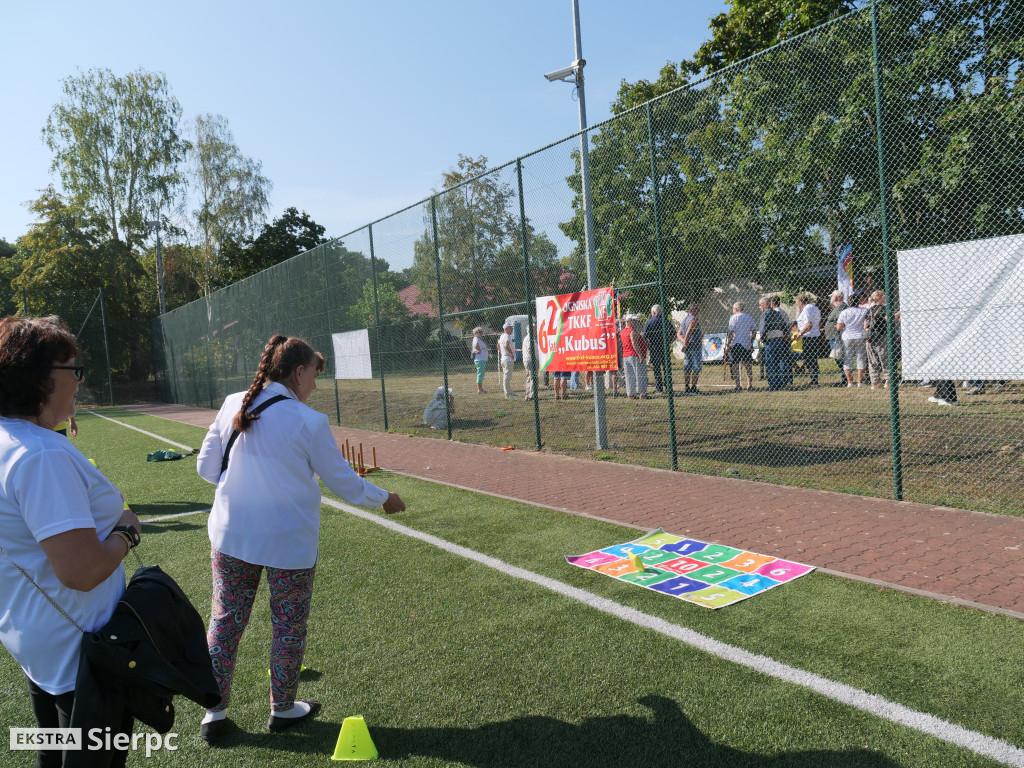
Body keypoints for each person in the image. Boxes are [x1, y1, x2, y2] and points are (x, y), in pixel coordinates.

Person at [196, 334, 406, 741]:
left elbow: (207, 468)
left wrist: (245, 487)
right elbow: (342, 481)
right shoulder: (309, 421)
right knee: (288, 626)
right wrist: (384, 497)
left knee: (224, 623)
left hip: (230, 535)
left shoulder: (232, 403)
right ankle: (284, 708)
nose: (314, 384)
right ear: (297, 372)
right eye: (312, 374)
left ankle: (213, 714)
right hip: (288, 543)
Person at [0, 315, 142, 768]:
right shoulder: (40, 455)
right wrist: (126, 532)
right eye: (72, 370)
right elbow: (80, 572)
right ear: (40, 378)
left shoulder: (11, 438)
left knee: (55, 754)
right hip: (82, 650)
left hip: (39, 637)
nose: (79, 381)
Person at [836, 290, 869, 388]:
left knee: (848, 359)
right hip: (860, 336)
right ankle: (860, 382)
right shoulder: (864, 311)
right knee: (861, 359)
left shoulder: (844, 312)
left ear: (849, 302)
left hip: (847, 337)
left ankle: (850, 382)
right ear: (859, 301)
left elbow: (839, 327)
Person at [866, 289, 897, 389]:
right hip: (882, 336)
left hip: (870, 337)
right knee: (886, 359)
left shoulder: (869, 310)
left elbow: (866, 325)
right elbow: (888, 319)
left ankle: (875, 382)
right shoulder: (884, 309)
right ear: (880, 297)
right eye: (884, 296)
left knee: (872, 361)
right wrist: (899, 313)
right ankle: (888, 381)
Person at [760, 296, 791, 391]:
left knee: (770, 362)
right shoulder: (777, 313)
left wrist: (763, 339)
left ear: (765, 305)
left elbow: (763, 328)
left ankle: (773, 384)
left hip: (771, 340)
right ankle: (779, 383)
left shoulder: (765, 314)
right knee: (778, 362)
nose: (759, 307)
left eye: (760, 305)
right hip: (780, 340)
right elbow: (784, 326)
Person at [725, 301, 756, 391]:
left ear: (736, 309)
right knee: (748, 365)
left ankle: (738, 385)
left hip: (736, 344)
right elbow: (754, 330)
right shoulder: (749, 317)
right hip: (746, 343)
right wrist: (751, 341)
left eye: (733, 309)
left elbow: (731, 332)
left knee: (735, 364)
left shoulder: (733, 318)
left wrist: (728, 344)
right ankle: (749, 385)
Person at [642, 304, 672, 394]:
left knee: (657, 368)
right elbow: (674, 333)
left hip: (654, 347)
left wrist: (648, 344)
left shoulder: (649, 322)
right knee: (666, 367)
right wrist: (669, 342)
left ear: (653, 312)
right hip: (665, 347)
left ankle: (659, 388)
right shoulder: (665, 321)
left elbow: (644, 336)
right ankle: (668, 388)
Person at [795, 292, 822, 387]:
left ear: (801, 301)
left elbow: (809, 324)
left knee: (810, 358)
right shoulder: (815, 308)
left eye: (797, 302)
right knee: (812, 358)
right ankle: (814, 378)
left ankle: (814, 380)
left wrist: (800, 333)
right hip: (815, 335)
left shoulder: (807, 309)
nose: (797, 304)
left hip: (809, 336)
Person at [824, 290, 848, 386]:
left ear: (835, 298)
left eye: (831, 297)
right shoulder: (837, 307)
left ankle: (845, 379)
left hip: (837, 337)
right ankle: (844, 378)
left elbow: (841, 321)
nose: (830, 299)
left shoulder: (841, 307)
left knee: (840, 358)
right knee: (838, 358)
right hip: (833, 336)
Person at [677, 304, 703, 394]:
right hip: (694, 346)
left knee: (687, 367)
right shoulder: (693, 320)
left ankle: (687, 387)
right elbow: (689, 331)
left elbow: (679, 334)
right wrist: (685, 343)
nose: (698, 312)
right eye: (697, 309)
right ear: (692, 310)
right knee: (696, 367)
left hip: (688, 347)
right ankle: (693, 388)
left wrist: (684, 342)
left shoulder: (684, 320)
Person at [621, 315, 644, 398]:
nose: (635, 322)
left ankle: (630, 393)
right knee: (639, 374)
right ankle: (642, 393)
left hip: (625, 355)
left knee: (629, 375)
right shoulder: (632, 331)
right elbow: (634, 343)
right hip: (633, 354)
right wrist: (640, 355)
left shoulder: (623, 331)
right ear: (628, 321)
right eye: (633, 320)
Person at [498, 321, 516, 399]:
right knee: (507, 377)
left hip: (504, 358)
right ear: (506, 329)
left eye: (512, 328)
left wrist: (502, 353)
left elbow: (498, 345)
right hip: (508, 359)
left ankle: (509, 392)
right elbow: (506, 345)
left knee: (506, 376)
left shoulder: (502, 336)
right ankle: (508, 394)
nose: (512, 329)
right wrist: (511, 353)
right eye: (510, 328)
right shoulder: (507, 336)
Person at [471, 327, 488, 394]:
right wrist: (479, 350)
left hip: (482, 359)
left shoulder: (478, 339)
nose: (481, 333)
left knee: (481, 374)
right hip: (480, 359)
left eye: (481, 332)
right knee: (480, 374)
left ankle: (480, 389)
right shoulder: (476, 339)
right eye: (479, 332)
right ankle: (480, 389)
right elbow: (476, 345)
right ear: (476, 333)